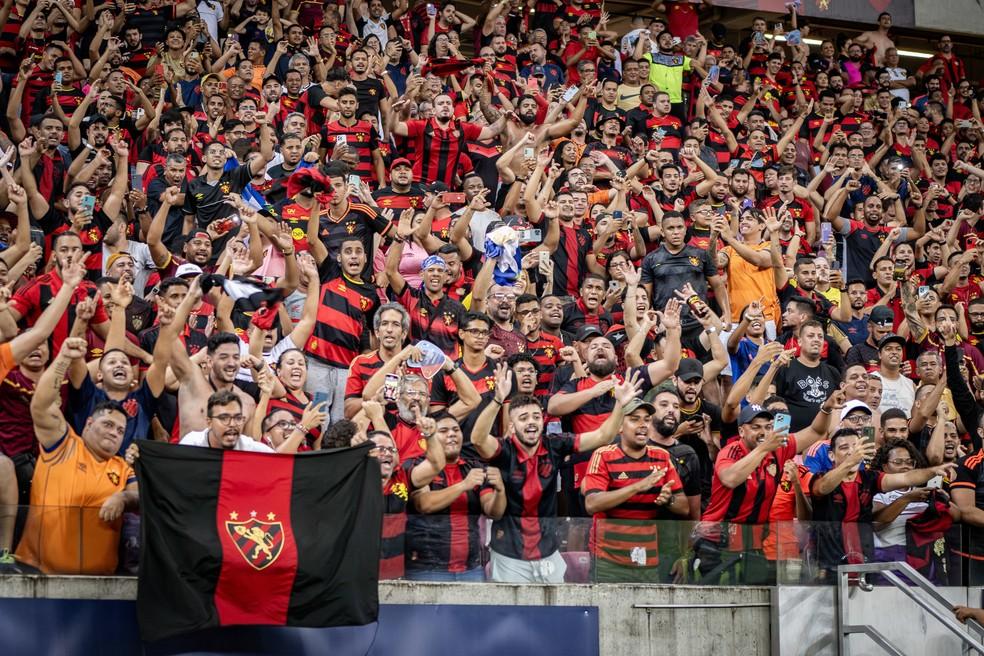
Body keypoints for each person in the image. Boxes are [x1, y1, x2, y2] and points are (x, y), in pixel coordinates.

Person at [470, 364, 644, 583]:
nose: (531, 422)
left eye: (536, 417)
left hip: (548, 553)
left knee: (556, 605)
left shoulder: (555, 444)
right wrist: (498, 400)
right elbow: (478, 439)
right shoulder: (503, 450)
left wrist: (620, 403)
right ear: (512, 427)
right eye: (523, 418)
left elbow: (603, 436)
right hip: (509, 555)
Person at [15, 337, 138, 574]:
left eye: (120, 430)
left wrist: (123, 499)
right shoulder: (64, 445)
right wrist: (63, 359)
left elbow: (139, 497)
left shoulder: (123, 467)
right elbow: (41, 406)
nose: (114, 433)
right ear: (89, 423)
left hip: (100, 586)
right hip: (39, 576)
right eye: (108, 424)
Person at [582, 394, 689, 582]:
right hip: (608, 560)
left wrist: (669, 500)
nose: (643, 425)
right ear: (619, 427)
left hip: (647, 558)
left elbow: (684, 507)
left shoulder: (662, 456)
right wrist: (637, 487)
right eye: (634, 419)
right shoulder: (603, 455)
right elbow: (592, 504)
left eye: (647, 420)